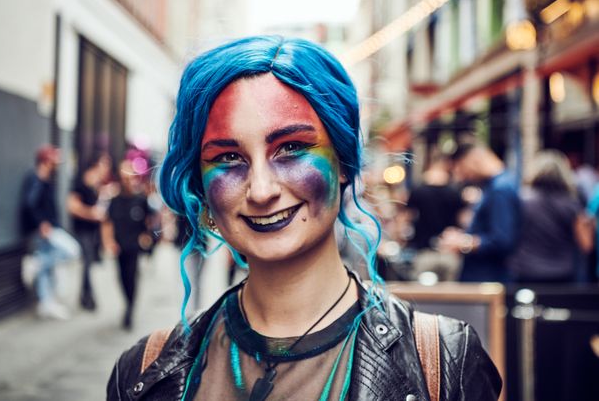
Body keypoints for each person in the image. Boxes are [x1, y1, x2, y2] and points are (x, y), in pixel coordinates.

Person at [107, 36, 501, 400]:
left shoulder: (444, 361)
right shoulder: (145, 372)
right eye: (228, 158)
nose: (261, 190)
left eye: (291, 148)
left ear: (343, 163)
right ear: (201, 182)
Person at [438, 142, 521, 283]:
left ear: (474, 160)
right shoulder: (495, 187)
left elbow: (502, 240)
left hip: (488, 280)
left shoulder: (500, 189)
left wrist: (463, 242)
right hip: (484, 278)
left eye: (462, 169)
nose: (462, 177)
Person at [508, 150, 594, 283]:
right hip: (563, 273)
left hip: (526, 271)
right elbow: (586, 244)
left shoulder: (522, 200)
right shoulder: (571, 204)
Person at [21, 144, 81, 319]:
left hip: (48, 228)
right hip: (45, 229)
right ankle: (37, 262)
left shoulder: (46, 179)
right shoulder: (36, 179)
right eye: (54, 159)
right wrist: (42, 224)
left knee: (46, 271)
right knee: (72, 251)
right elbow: (29, 204)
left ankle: (45, 303)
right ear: (46, 161)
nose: (58, 163)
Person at [102, 158, 153, 329]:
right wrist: (108, 242)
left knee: (132, 277)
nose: (127, 181)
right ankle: (127, 302)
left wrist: (146, 235)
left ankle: (130, 309)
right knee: (121, 277)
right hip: (119, 246)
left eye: (129, 177)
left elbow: (148, 220)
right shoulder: (115, 200)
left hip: (134, 246)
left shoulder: (140, 199)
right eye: (123, 178)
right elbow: (107, 222)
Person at [404, 155, 465, 281]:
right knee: (451, 294)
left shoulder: (418, 190)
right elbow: (463, 220)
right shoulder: (455, 192)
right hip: (450, 252)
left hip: (423, 251)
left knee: (422, 295)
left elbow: (407, 218)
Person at [67, 153, 112, 310]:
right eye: (105, 165)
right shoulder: (82, 183)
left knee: (88, 264)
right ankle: (89, 297)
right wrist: (91, 213)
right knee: (86, 263)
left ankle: (85, 296)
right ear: (97, 165)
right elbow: (72, 206)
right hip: (82, 230)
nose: (107, 169)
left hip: (92, 231)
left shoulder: (96, 185)